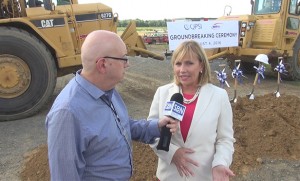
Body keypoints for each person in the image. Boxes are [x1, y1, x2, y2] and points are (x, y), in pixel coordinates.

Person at [45, 30, 178, 181]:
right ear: (103, 65)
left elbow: (121, 125)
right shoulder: (68, 113)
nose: (128, 64)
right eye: (123, 59)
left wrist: (156, 127)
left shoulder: (106, 89)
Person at [148, 40, 235, 181]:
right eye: (178, 63)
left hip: (204, 175)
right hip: (169, 175)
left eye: (189, 63)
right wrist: (172, 153)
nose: (182, 69)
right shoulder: (162, 93)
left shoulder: (219, 96)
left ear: (201, 65)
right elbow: (150, 133)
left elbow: (225, 139)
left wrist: (220, 163)